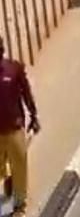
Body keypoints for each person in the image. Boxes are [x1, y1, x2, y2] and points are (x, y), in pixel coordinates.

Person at [0, 34, 38, 216]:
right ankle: (9, 179)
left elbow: (26, 93)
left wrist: (34, 115)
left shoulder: (14, 69)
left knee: (20, 165)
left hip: (14, 128)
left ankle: (19, 206)